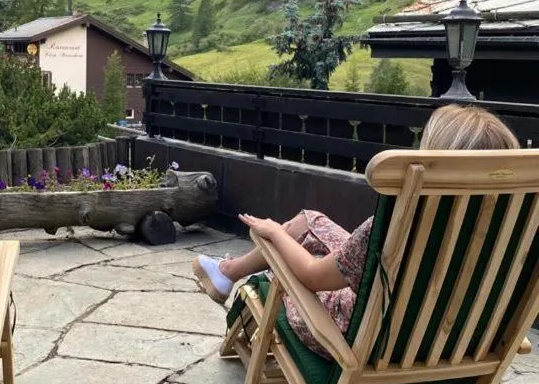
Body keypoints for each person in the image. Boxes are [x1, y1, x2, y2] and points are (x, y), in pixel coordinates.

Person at [191, 104, 520, 358]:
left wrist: (275, 234)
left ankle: (230, 271)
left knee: (287, 249)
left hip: (354, 339)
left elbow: (310, 277)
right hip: (448, 345)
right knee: (309, 221)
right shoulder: (510, 236)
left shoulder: (395, 227)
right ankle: (228, 272)